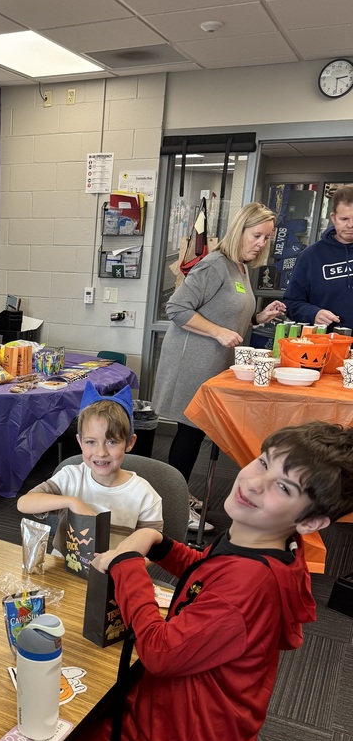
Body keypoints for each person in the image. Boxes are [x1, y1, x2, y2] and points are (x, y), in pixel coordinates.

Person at [36, 420, 353, 741]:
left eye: (283, 487)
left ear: (312, 519)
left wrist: (129, 565)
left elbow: (159, 652)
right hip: (219, 717)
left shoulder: (247, 588)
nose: (252, 482)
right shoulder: (269, 547)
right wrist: (162, 546)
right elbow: (210, 570)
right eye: (262, 463)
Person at [153, 202, 286, 531]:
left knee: (197, 432)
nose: (261, 243)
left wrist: (257, 319)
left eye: (267, 238)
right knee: (190, 430)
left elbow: (229, 316)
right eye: (256, 235)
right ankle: (174, 503)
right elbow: (177, 307)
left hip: (214, 364)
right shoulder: (215, 264)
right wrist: (217, 331)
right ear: (239, 230)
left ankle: (178, 492)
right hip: (191, 362)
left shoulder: (239, 268)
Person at [17, 385, 162, 554]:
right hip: (63, 570)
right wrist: (72, 502)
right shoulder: (70, 477)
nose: (101, 452)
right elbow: (24, 503)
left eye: (112, 442)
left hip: (114, 574)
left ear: (129, 443)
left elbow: (156, 552)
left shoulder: (144, 495)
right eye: (91, 442)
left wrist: (121, 563)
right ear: (80, 442)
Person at [285, 183, 353, 330]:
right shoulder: (310, 257)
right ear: (333, 218)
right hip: (325, 345)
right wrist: (313, 313)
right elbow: (291, 303)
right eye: (344, 219)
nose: (350, 225)